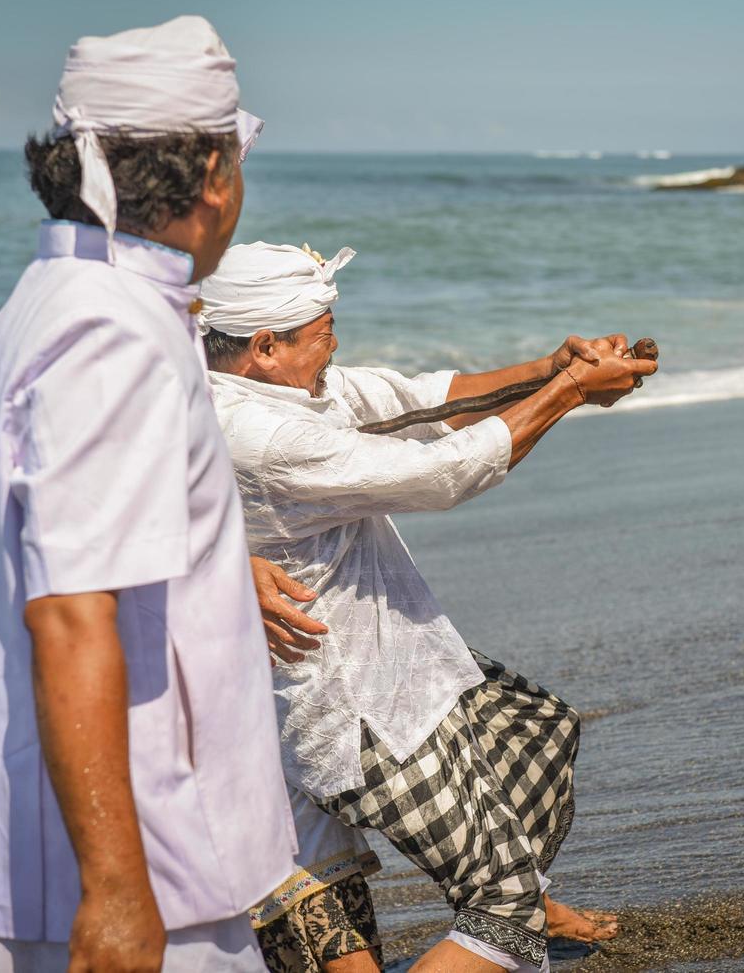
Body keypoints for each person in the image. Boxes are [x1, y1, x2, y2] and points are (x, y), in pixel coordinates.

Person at [0, 17, 296, 973]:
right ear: (214, 175)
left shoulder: (58, 298)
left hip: (99, 853)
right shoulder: (112, 328)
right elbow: (71, 614)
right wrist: (119, 887)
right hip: (139, 865)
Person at [200, 241, 654, 972]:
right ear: (263, 346)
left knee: (538, 733)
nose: (335, 345)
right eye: (323, 333)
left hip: (398, 661)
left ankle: (515, 902)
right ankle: (506, 916)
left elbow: (425, 402)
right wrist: (567, 396)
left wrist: (550, 369)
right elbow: (438, 474)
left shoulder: (281, 390)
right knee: (503, 909)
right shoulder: (261, 433)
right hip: (347, 706)